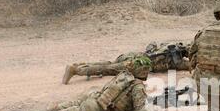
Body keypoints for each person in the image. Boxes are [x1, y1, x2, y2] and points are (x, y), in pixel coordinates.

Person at [0, 56, 154, 111]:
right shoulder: (138, 86)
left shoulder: (124, 75)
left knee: (56, 109)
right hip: (94, 109)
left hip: (93, 97)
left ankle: (37, 110)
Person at [62, 41, 190, 84]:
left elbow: (152, 44)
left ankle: (79, 65)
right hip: (137, 64)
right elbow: (189, 65)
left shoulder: (168, 45)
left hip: (133, 55)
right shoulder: (176, 61)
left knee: (109, 64)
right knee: (107, 69)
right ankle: (76, 70)